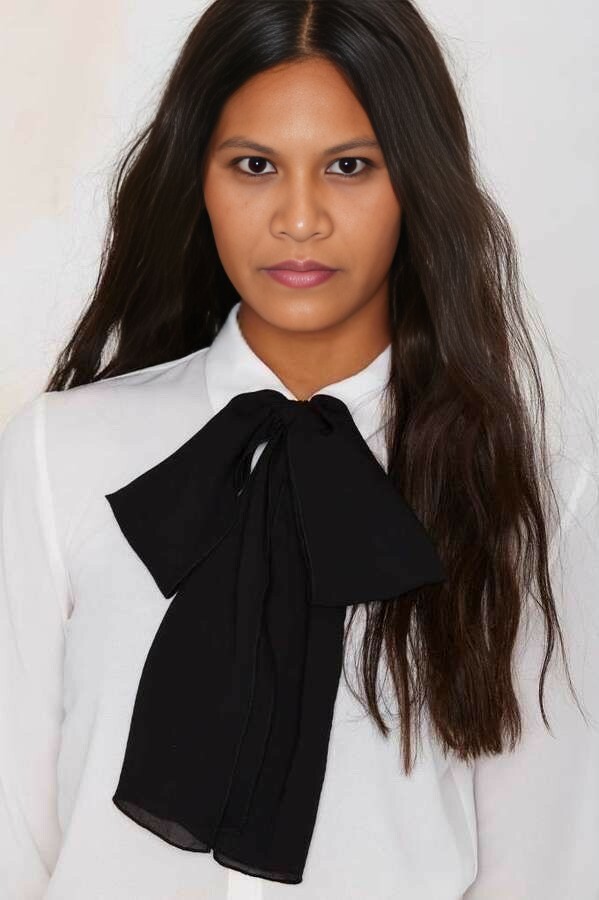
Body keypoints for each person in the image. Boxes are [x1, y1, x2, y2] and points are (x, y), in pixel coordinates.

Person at [1, 1, 598, 898]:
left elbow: (540, 868)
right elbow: (12, 838)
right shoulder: (58, 455)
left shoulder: (534, 495)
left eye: (349, 166)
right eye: (254, 165)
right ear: (198, 179)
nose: (300, 218)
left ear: (415, 180)